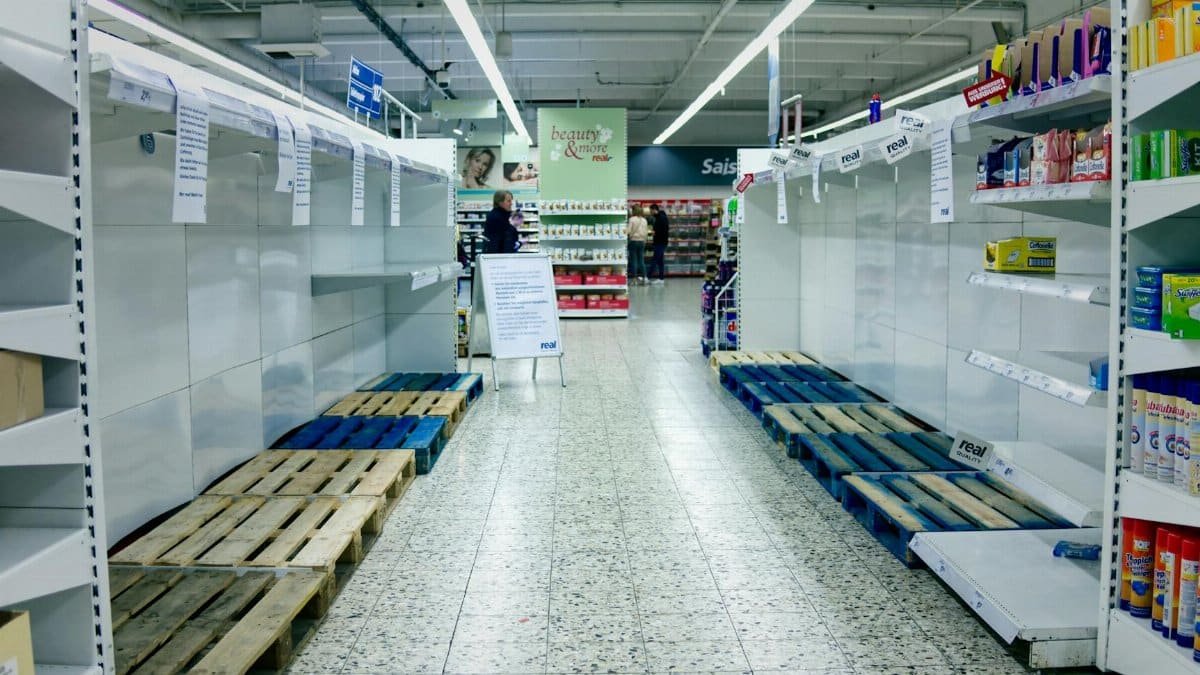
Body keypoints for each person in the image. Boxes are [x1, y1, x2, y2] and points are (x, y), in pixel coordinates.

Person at [483, 190, 520, 254]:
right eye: (508, 201)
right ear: (500, 202)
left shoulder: (505, 214)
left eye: (511, 200)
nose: (511, 203)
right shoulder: (495, 217)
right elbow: (503, 240)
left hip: (504, 255)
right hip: (499, 257)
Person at [626, 206, 649, 284]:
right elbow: (646, 232)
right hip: (642, 241)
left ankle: (634, 279)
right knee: (641, 260)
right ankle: (644, 278)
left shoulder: (632, 219)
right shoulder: (644, 220)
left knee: (634, 261)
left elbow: (628, 231)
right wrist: (645, 241)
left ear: (634, 211)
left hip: (633, 241)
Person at [648, 203, 669, 284]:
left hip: (660, 242)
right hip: (661, 242)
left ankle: (648, 277)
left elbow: (662, 231)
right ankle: (661, 278)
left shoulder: (661, 218)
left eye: (650, 211)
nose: (650, 213)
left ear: (654, 210)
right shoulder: (660, 217)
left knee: (654, 260)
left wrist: (654, 233)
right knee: (660, 261)